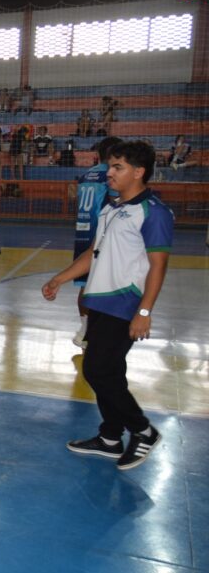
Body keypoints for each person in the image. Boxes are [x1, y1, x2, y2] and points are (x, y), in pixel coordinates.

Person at [41, 140, 172, 471]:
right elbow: (92, 254)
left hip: (125, 303)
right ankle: (111, 437)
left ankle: (143, 431)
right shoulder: (111, 208)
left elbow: (158, 265)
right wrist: (60, 278)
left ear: (139, 172)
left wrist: (144, 311)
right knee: (109, 371)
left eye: (118, 168)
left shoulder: (153, 212)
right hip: (100, 301)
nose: (109, 173)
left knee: (97, 369)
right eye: (110, 166)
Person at [70, 137, 122, 347]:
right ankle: (100, 330)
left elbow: (77, 199)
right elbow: (119, 204)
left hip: (82, 233)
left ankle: (84, 330)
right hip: (102, 236)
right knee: (107, 284)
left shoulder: (86, 175)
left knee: (85, 285)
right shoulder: (109, 176)